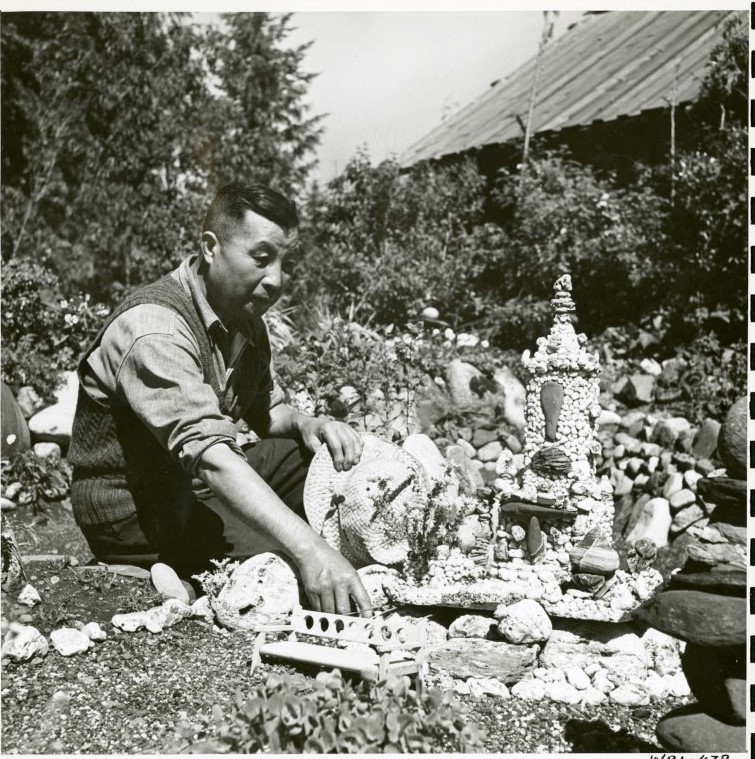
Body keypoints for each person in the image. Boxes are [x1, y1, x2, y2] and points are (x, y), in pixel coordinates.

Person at [68, 182, 372, 616]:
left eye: (286, 264)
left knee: (316, 459)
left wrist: (311, 424)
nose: (277, 281)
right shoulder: (154, 327)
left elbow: (266, 411)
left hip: (192, 488)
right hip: (134, 513)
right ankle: (161, 569)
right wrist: (310, 550)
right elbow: (210, 455)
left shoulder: (244, 318)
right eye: (262, 259)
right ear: (211, 248)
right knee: (287, 557)